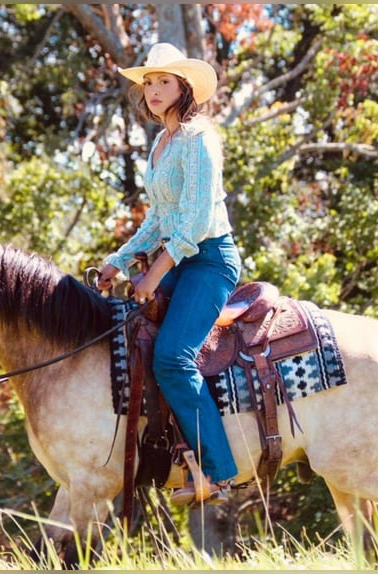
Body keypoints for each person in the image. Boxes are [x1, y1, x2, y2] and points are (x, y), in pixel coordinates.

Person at [97, 43, 242, 506]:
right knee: (125, 334)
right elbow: (158, 220)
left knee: (173, 357)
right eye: (149, 82)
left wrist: (153, 275)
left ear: (184, 86)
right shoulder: (162, 142)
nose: (155, 90)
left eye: (165, 81)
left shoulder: (200, 138)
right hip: (177, 258)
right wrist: (116, 261)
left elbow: (195, 223)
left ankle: (219, 474)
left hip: (209, 261)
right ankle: (163, 450)